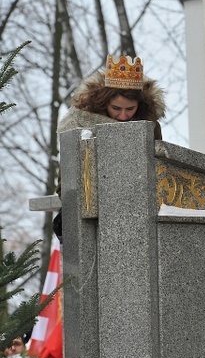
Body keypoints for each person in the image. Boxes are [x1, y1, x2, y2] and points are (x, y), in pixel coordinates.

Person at [53, 55, 166, 241]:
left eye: (130, 109)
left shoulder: (149, 125)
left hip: (137, 208)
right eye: (116, 108)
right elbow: (67, 174)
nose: (123, 116)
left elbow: (158, 166)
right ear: (103, 102)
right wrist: (68, 204)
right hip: (93, 209)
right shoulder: (79, 123)